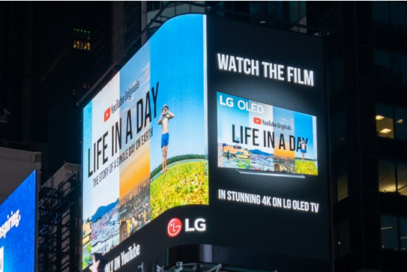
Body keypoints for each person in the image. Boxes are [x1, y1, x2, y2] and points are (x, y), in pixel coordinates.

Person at [158, 105, 174, 173]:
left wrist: (167, 111)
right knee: (163, 153)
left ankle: (165, 168)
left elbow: (173, 115)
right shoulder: (162, 120)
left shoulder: (167, 118)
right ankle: (163, 169)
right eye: (164, 109)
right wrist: (162, 114)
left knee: (166, 153)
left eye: (166, 109)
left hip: (167, 135)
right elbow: (158, 122)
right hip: (163, 135)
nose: (165, 110)